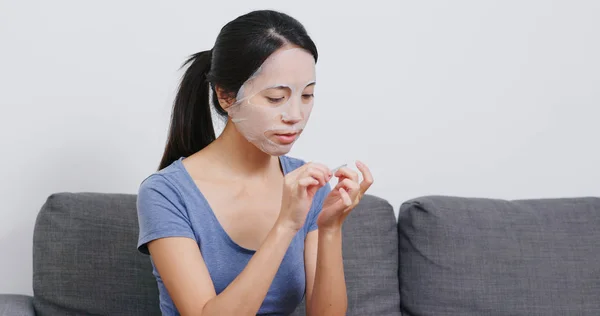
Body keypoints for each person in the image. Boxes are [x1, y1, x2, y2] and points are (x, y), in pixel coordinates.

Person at [136, 9, 373, 316]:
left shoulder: (305, 183)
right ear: (225, 97)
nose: (295, 116)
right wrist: (286, 225)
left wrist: (329, 228)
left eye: (307, 95)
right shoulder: (166, 193)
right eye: (276, 97)